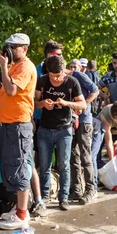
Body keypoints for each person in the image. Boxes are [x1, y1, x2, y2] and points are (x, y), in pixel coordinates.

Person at [0, 33, 37, 229]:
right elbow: (6, 88)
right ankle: (20, 209)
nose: (10, 50)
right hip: (8, 124)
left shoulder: (26, 67)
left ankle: (22, 214)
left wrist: (3, 67)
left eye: (14, 47)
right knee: (11, 167)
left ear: (25, 49)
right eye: (8, 46)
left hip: (18, 125)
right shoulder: (13, 66)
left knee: (19, 168)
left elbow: (12, 91)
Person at [35, 55, 86, 210]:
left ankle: (63, 197)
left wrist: (66, 103)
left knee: (64, 164)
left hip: (64, 129)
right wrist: (43, 103)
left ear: (64, 71)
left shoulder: (72, 82)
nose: (56, 79)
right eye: (53, 76)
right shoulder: (42, 81)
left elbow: (82, 104)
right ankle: (44, 197)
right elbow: (34, 103)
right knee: (44, 165)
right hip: (44, 129)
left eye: (58, 76)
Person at [68, 56, 99, 204]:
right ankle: (76, 189)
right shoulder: (65, 79)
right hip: (72, 120)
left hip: (85, 120)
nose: (73, 69)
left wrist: (84, 104)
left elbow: (95, 90)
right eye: (71, 66)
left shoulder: (79, 76)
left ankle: (90, 189)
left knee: (85, 155)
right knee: (74, 155)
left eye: (76, 66)